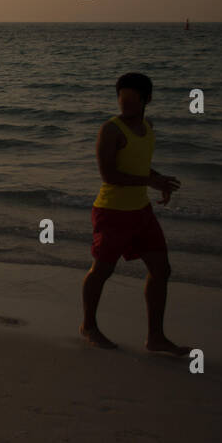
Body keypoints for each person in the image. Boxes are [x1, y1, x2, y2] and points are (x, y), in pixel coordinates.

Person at [81, 72, 189, 355]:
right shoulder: (111, 130)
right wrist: (149, 182)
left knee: (161, 270)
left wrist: (159, 180)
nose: (124, 105)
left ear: (147, 100)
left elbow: (140, 167)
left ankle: (156, 337)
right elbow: (109, 175)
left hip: (141, 211)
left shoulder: (148, 126)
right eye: (121, 99)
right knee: (102, 270)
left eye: (131, 100)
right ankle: (88, 326)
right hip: (111, 212)